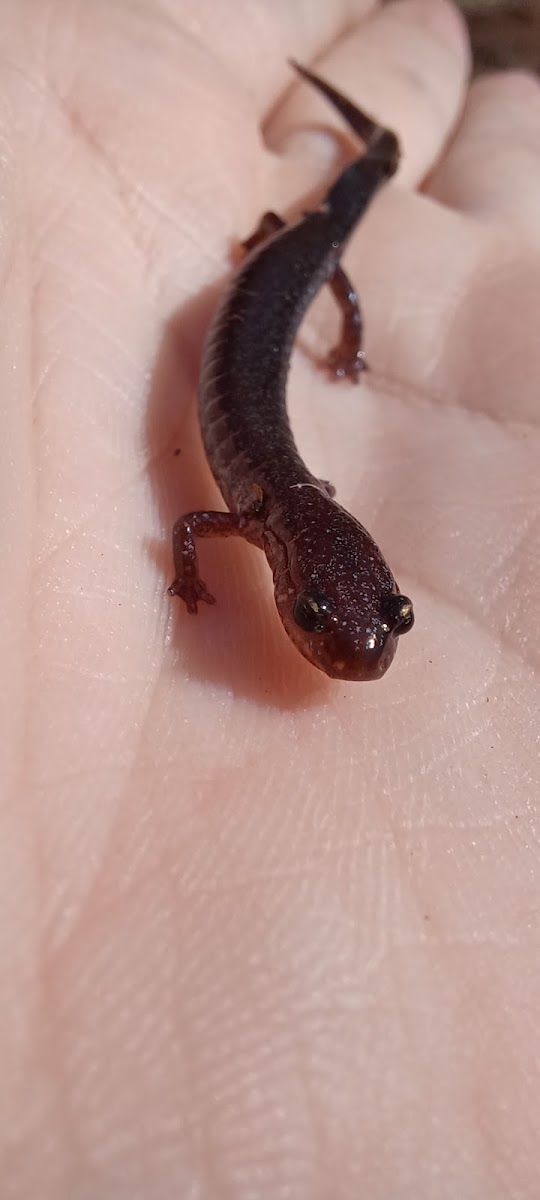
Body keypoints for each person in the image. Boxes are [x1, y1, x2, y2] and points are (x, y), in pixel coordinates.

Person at [2, 0, 538, 1194]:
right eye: (322, 622)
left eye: (374, 622)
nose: (355, 644)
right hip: (268, 289)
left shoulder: (282, 516)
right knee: (300, 254)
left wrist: (341, 338)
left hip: (284, 287)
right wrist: (181, 576)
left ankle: (368, 166)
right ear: (296, 569)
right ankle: (360, 168)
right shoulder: (258, 514)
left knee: (316, 252)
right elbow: (188, 524)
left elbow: (206, 517)